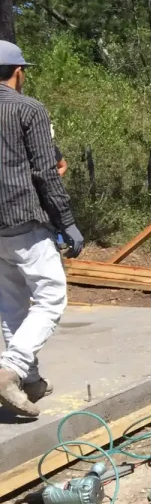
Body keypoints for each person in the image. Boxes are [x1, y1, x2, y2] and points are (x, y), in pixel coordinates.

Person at [0, 40, 84, 418]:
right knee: (51, 295)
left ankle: (29, 381)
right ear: (18, 72)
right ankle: (11, 371)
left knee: (11, 303)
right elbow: (45, 171)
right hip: (23, 217)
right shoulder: (29, 109)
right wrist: (66, 221)